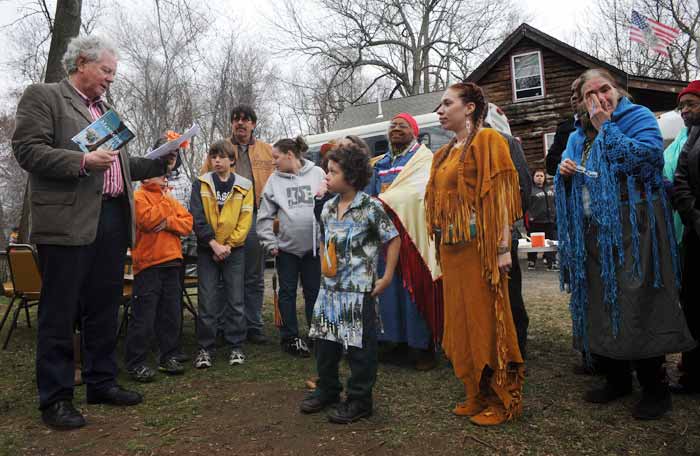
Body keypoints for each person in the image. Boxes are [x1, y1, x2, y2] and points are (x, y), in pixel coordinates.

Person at [12, 35, 175, 430]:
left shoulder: (107, 109)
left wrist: (157, 165)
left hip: (114, 219)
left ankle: (102, 382)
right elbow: (27, 150)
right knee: (61, 310)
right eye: (106, 71)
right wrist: (82, 160)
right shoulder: (45, 96)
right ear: (82, 62)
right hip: (67, 221)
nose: (110, 80)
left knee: (104, 307)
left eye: (113, 74)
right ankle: (56, 398)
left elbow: (118, 166)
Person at [556, 69, 695, 420]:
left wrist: (607, 127)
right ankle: (616, 379)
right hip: (595, 230)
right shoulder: (576, 135)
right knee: (602, 302)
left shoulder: (638, 118)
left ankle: (655, 387)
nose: (600, 97)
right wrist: (566, 172)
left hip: (637, 227)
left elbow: (647, 162)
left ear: (617, 91)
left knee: (639, 300)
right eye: (591, 94)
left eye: (605, 89)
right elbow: (569, 175)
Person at [425, 82, 524, 426]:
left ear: (469, 108)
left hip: (481, 252)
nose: (440, 110)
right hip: (453, 254)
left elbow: (500, 197)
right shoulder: (443, 153)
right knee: (461, 325)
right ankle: (474, 392)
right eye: (439, 104)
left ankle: (501, 399)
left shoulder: (488, 141)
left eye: (447, 103)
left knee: (488, 324)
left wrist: (501, 248)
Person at [300, 142, 400, 424]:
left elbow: (393, 239)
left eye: (332, 172)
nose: (326, 177)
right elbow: (324, 240)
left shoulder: (371, 208)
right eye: (326, 171)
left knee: (360, 350)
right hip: (329, 292)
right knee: (325, 345)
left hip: (359, 294)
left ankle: (359, 399)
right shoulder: (328, 209)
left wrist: (387, 275)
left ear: (352, 176)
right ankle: (328, 389)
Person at [367, 113, 438, 371]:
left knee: (414, 288)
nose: (396, 129)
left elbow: (421, 193)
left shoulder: (423, 159)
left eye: (403, 126)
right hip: (387, 236)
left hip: (414, 235)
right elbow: (372, 196)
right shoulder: (381, 164)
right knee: (389, 289)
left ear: (414, 131)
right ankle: (393, 342)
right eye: (393, 126)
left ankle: (421, 347)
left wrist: (387, 201)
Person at [257, 136, 325, 357]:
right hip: (286, 249)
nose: (274, 162)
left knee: (314, 292)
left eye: (276, 157)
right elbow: (264, 216)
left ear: (289, 155)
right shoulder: (273, 181)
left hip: (313, 249)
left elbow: (330, 203)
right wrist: (270, 243)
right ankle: (290, 337)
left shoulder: (317, 174)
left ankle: (317, 334)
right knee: (286, 293)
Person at [190, 140, 254, 368]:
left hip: (233, 251)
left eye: (221, 156)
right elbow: (196, 217)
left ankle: (236, 345)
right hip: (208, 250)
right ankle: (205, 348)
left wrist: (229, 245)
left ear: (231, 160)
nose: (216, 160)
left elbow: (246, 219)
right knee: (207, 300)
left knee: (235, 299)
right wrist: (213, 244)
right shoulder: (201, 183)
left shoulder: (245, 185)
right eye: (213, 156)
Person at [124, 168, 193, 382]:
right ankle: (136, 363)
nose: (165, 177)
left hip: (172, 262)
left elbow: (188, 223)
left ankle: (168, 356)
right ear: (145, 177)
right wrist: (165, 203)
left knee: (170, 313)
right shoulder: (138, 197)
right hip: (148, 265)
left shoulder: (167, 197)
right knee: (143, 317)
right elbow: (148, 220)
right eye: (160, 174)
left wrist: (170, 223)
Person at [228, 105, 275, 345]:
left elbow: (282, 177)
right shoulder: (222, 150)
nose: (240, 123)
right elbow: (204, 180)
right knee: (230, 275)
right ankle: (231, 325)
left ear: (254, 124)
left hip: (257, 217)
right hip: (228, 219)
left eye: (245, 120)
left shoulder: (267, 150)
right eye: (236, 119)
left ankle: (254, 325)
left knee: (254, 276)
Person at [671, 80, 700, 395]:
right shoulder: (689, 138)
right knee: (692, 304)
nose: (685, 111)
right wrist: (694, 216)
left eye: (691, 104)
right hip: (694, 231)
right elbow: (680, 180)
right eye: (682, 106)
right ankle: (693, 375)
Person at [546, 78, 580, 176]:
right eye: (572, 93)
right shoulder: (564, 128)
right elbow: (550, 164)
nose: (574, 97)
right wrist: (565, 164)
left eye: (579, 92)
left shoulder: (607, 122)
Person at [526, 169, 557, 271]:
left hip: (549, 220)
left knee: (550, 242)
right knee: (534, 243)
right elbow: (525, 205)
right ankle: (531, 260)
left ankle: (550, 262)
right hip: (535, 221)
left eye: (541, 176)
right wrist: (529, 217)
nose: (539, 178)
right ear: (533, 177)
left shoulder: (550, 189)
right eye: (537, 176)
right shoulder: (530, 190)